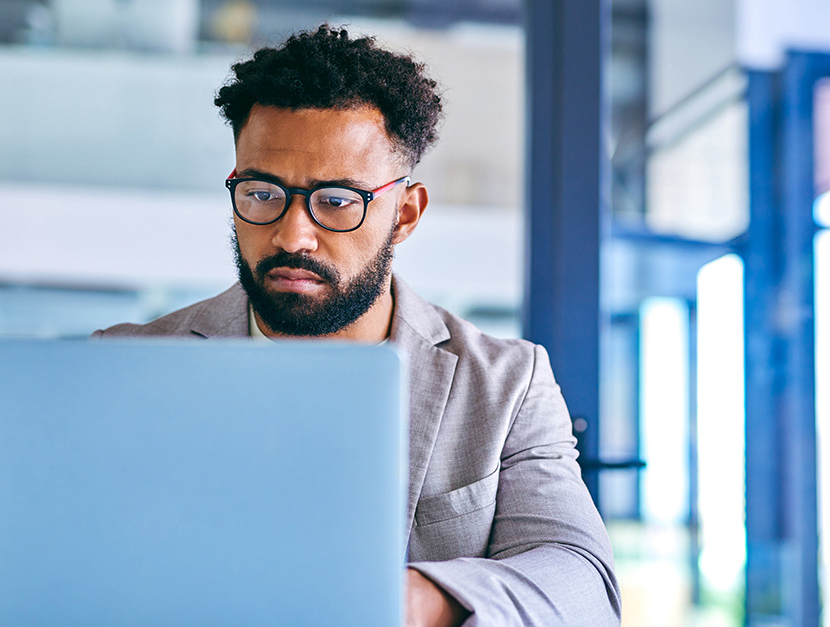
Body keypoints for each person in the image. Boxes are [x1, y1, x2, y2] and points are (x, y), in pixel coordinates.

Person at [93, 25, 620, 627]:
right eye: (263, 194)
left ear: (406, 214)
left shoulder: (505, 385)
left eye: (337, 201)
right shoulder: (124, 362)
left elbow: (583, 585)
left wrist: (421, 599)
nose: (292, 235)